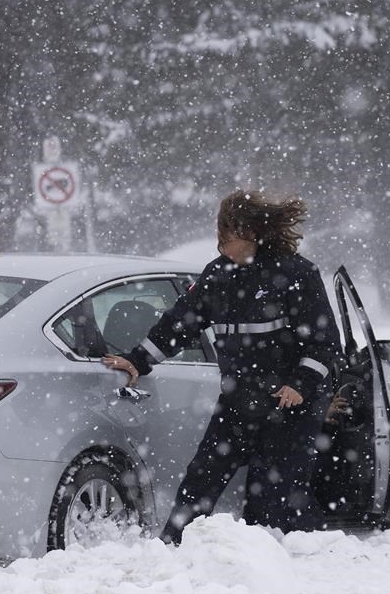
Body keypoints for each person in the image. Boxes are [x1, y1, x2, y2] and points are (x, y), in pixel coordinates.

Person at [104, 189, 343, 544]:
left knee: (272, 492)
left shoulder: (296, 274)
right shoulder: (218, 275)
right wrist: (139, 360)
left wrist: (300, 384)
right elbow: (180, 323)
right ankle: (174, 546)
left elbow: (325, 345)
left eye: (225, 234)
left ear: (250, 232)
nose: (218, 243)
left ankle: (274, 556)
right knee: (202, 477)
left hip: (288, 405)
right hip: (239, 399)